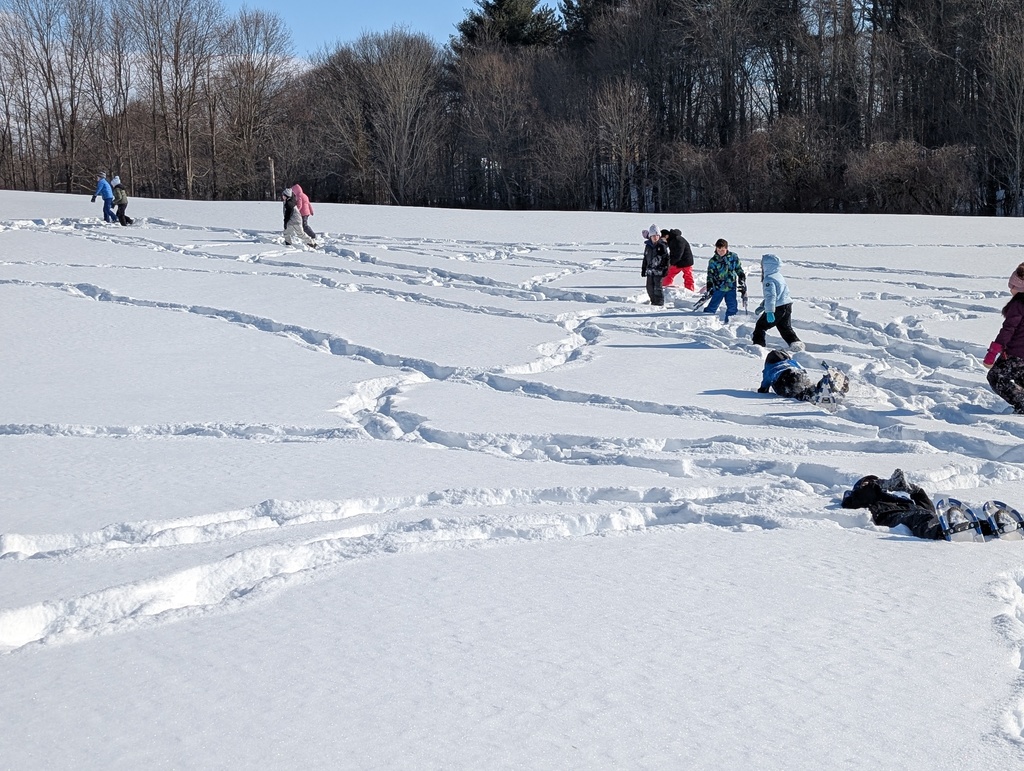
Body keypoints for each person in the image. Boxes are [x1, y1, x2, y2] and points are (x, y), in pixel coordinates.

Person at [840, 469, 948, 540]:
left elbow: (927, 509)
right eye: (867, 483)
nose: (874, 483)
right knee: (918, 517)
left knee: (929, 514)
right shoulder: (864, 499)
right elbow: (849, 500)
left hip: (918, 514)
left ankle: (956, 523)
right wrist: (882, 484)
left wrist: (915, 490)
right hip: (893, 517)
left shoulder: (898, 499)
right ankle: (939, 533)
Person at [983, 263, 1024, 413]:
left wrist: (993, 352)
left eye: (1012, 286)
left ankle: (1022, 403)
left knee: (995, 376)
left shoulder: (1018, 305)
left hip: (1015, 355)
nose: (1010, 289)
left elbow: (1008, 330)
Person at [752, 253, 802, 351]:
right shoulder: (778, 276)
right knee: (784, 327)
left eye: (762, 264)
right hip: (787, 305)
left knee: (760, 326)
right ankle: (796, 344)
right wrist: (763, 305)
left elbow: (771, 296)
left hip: (777, 307)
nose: (761, 266)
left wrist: (769, 311)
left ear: (767, 265)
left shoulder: (769, 279)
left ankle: (758, 347)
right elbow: (779, 293)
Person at [757, 349, 848, 403]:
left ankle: (814, 395)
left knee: (799, 394)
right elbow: (803, 371)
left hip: (783, 380)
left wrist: (762, 390)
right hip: (797, 373)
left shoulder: (768, 369)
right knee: (809, 389)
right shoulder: (791, 362)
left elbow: (763, 388)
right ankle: (827, 383)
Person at [703, 239, 746, 321]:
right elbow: (710, 274)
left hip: (731, 286)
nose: (720, 252)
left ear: (726, 248)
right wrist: (709, 285)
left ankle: (730, 321)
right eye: (718, 250)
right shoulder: (713, 261)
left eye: (722, 250)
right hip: (719, 287)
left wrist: (741, 276)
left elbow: (738, 268)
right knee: (713, 304)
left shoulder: (733, 257)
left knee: (732, 305)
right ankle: (706, 319)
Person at [640, 224, 669, 306]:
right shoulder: (648, 246)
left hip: (659, 271)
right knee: (649, 287)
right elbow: (645, 258)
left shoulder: (662, 245)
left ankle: (659, 303)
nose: (655, 237)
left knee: (657, 288)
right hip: (650, 270)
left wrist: (665, 269)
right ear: (650, 236)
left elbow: (666, 258)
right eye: (653, 236)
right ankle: (653, 301)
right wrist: (643, 269)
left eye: (657, 235)